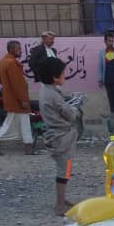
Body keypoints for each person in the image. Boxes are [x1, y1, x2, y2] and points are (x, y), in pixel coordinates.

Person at [39, 57, 80, 216]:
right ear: (55, 77)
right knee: (64, 171)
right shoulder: (54, 95)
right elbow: (70, 115)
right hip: (61, 137)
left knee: (64, 169)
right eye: (63, 73)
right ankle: (59, 205)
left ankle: (62, 200)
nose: (65, 76)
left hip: (56, 135)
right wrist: (75, 109)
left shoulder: (46, 90)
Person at [0, 41, 34, 154]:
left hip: (11, 97)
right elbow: (17, 84)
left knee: (22, 122)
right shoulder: (12, 63)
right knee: (13, 122)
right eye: (18, 49)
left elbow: (1, 80)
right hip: (16, 99)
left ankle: (28, 145)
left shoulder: (3, 62)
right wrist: (23, 99)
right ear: (11, 50)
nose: (21, 51)